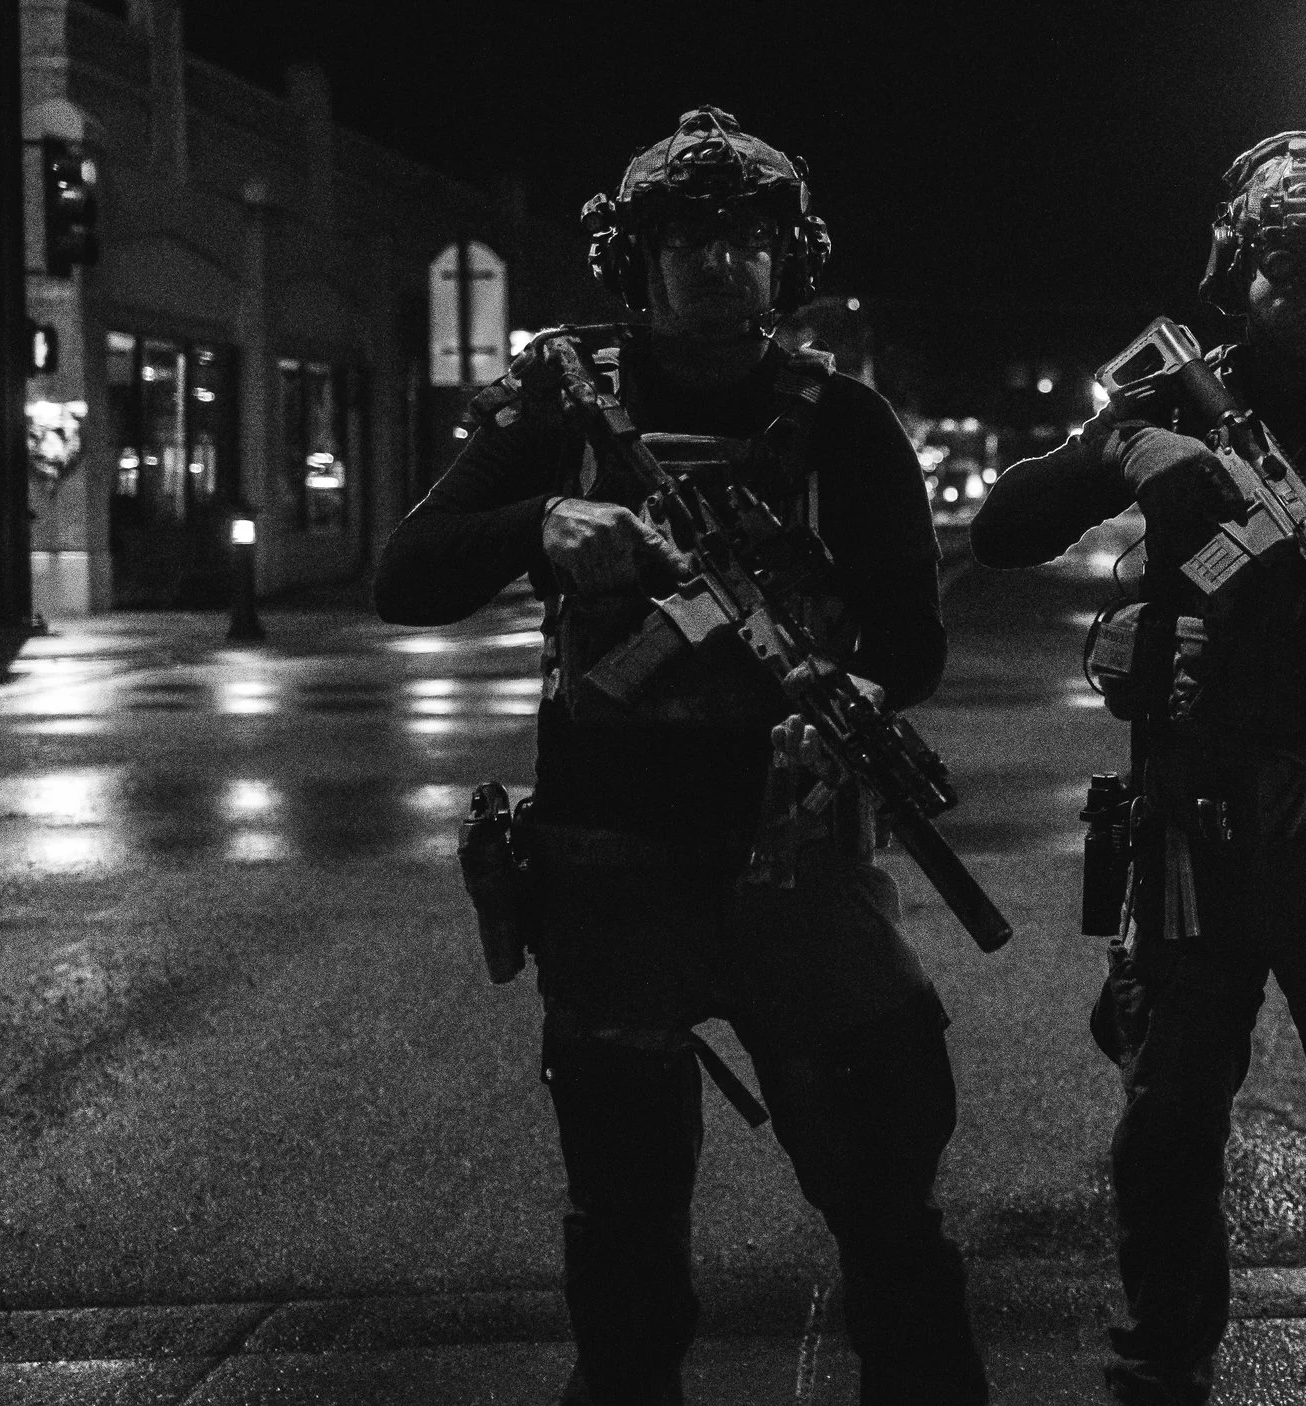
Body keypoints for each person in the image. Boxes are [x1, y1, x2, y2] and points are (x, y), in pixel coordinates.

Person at [373, 106, 986, 1406]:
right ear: (632, 261)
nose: (721, 263)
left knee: (889, 1204)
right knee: (628, 1243)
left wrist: (852, 702)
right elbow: (406, 576)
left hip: (798, 865)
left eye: (752, 240)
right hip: (613, 878)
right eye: (688, 240)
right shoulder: (564, 407)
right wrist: (540, 519)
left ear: (789, 260)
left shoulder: (845, 425)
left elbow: (913, 639)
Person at [970, 130, 1306, 1406]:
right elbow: (1002, 527)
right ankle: (1167, 1358)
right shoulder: (1171, 399)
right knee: (1164, 1129)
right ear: (1237, 272)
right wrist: (1122, 453)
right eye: (1280, 266)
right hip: (1193, 836)